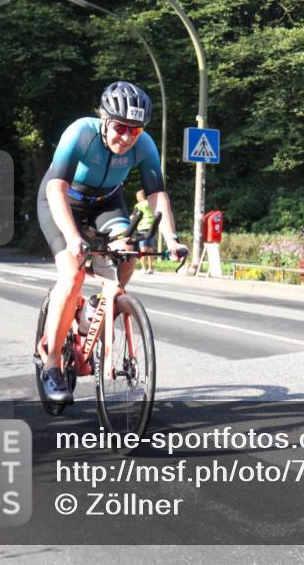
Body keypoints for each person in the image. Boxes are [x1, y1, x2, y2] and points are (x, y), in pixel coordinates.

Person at [36, 81, 187, 404]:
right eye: (120, 127)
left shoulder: (143, 144)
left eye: (135, 131)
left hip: (106, 203)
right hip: (63, 201)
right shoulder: (81, 133)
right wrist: (75, 238)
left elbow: (157, 194)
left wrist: (172, 238)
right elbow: (54, 189)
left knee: (127, 253)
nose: (126, 137)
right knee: (73, 273)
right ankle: (52, 366)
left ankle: (96, 309)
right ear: (104, 120)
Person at [133, 189, 156, 274]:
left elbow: (133, 217)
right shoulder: (151, 203)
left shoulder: (139, 205)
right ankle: (150, 268)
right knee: (150, 249)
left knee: (143, 249)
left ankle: (143, 268)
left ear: (140, 196)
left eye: (137, 196)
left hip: (142, 228)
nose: (136, 198)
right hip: (152, 228)